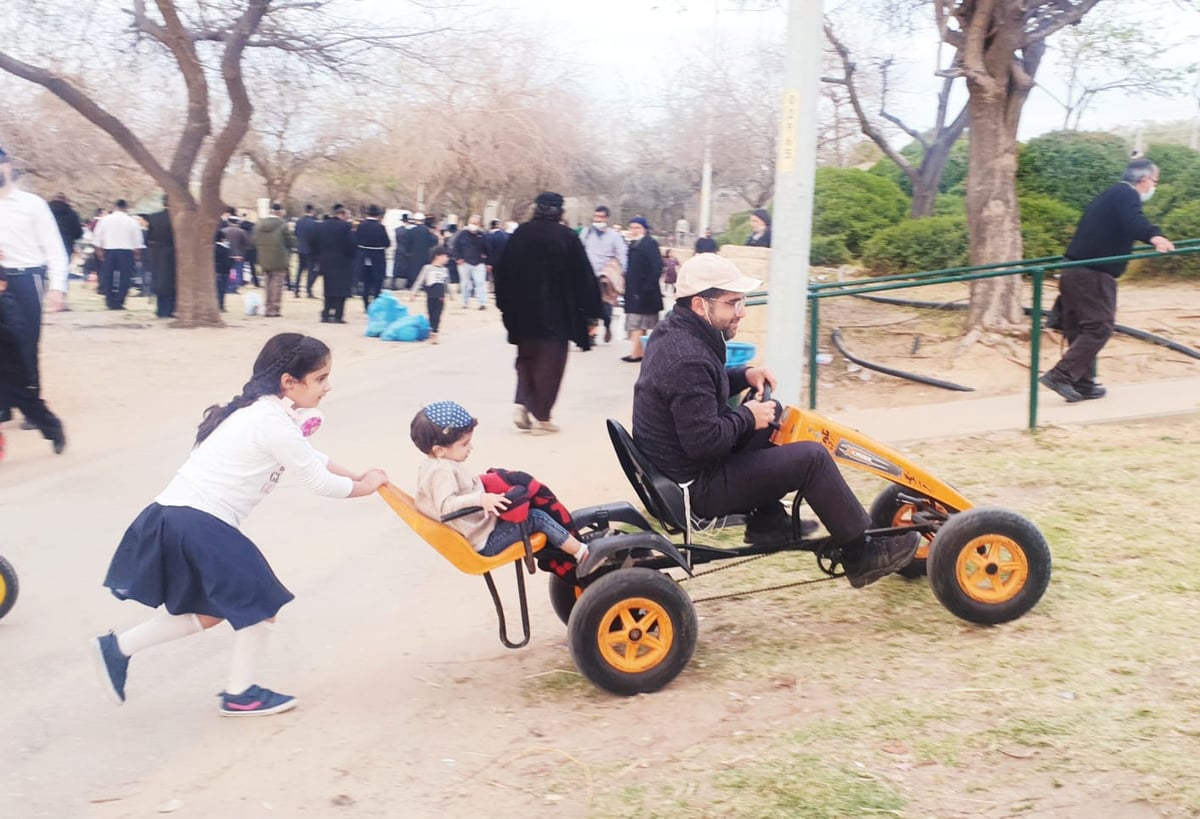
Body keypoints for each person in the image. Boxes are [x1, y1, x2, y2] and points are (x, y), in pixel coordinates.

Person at [90, 333, 389, 716]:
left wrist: (361, 475)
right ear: (289, 382)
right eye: (320, 378)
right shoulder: (270, 421)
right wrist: (366, 487)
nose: (327, 387)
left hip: (175, 516)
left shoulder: (262, 412)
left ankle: (117, 649)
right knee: (261, 603)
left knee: (211, 609)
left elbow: (310, 456)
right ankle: (240, 693)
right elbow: (318, 481)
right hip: (197, 522)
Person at [631, 254, 919, 589]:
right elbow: (703, 441)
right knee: (811, 458)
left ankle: (768, 521)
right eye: (733, 302)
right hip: (695, 486)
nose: (741, 311)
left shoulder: (676, 333)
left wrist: (744, 375)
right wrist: (746, 417)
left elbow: (699, 388)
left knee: (774, 417)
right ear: (699, 305)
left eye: (742, 301)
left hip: (680, 469)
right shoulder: (687, 357)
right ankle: (860, 555)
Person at [1039, 158, 1175, 403]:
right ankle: (1062, 375)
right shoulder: (1125, 194)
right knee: (1099, 326)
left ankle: (1083, 383)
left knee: (1079, 328)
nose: (1154, 187)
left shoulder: (1110, 195)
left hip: (1072, 270)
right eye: (1155, 182)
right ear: (1144, 180)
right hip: (1092, 274)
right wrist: (1154, 236)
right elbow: (1134, 221)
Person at [410, 401, 592, 567]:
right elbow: (445, 506)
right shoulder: (441, 470)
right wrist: (480, 498)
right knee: (536, 517)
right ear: (439, 450)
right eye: (464, 444)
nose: (470, 448)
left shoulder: (436, 464)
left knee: (525, 504)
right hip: (485, 542)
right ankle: (583, 553)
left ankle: (570, 551)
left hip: (482, 531)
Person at [493, 191, 603, 435]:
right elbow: (583, 276)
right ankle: (542, 418)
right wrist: (591, 314)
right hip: (557, 315)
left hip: (523, 313)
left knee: (526, 360)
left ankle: (522, 403)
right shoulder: (566, 237)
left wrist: (506, 307)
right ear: (560, 211)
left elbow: (503, 272)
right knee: (549, 365)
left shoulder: (521, 234)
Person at [0, 145, 69, 434]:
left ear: (9, 167)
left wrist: (57, 287)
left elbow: (54, 247)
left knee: (26, 344)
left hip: (27, 279)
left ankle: (32, 405)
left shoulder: (32, 204)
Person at [0, 270, 66, 454]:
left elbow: (16, 333)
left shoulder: (8, 304)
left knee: (31, 407)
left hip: (15, 370)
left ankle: (54, 429)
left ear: (3, 285)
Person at [579, 204, 627, 344]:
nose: (598, 219)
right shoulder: (586, 233)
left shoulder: (614, 236)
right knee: (588, 307)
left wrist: (624, 272)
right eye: (596, 216)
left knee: (605, 307)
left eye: (601, 217)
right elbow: (578, 250)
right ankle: (591, 334)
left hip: (604, 277)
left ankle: (607, 324)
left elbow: (622, 254)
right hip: (588, 275)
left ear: (606, 218)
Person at [621, 217, 663, 363]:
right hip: (634, 290)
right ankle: (640, 352)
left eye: (637, 227)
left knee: (639, 322)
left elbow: (657, 266)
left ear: (645, 229)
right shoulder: (633, 245)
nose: (634, 230)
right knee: (637, 323)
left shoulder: (649, 243)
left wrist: (648, 287)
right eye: (632, 227)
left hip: (645, 291)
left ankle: (637, 353)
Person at [94, 198, 145, 310]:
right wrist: (137, 253)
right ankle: (120, 301)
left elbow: (98, 236)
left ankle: (109, 300)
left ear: (115, 207)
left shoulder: (105, 220)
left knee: (108, 276)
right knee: (125, 278)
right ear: (125, 208)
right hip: (126, 251)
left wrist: (99, 250)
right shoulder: (131, 221)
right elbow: (138, 239)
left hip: (109, 250)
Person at [311, 204, 355, 323]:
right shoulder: (345, 226)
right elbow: (351, 244)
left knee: (328, 288)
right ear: (342, 214)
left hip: (325, 261)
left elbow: (314, 242)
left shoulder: (321, 226)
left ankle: (325, 313)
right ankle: (338, 315)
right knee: (341, 290)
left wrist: (319, 256)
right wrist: (351, 256)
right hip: (342, 261)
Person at [253, 203, 296, 318]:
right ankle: (275, 308)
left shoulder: (259, 224)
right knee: (277, 285)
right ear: (280, 212)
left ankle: (267, 307)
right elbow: (290, 241)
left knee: (267, 284)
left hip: (264, 258)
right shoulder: (283, 224)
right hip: (279, 258)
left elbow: (254, 240)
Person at [408, 246, 451, 344]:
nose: (447, 259)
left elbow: (446, 283)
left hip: (441, 296)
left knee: (437, 314)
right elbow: (420, 280)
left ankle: (434, 333)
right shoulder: (428, 268)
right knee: (431, 314)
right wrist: (413, 292)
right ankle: (432, 330)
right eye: (445, 256)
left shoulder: (445, 270)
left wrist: (450, 294)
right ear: (437, 257)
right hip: (430, 295)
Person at [353, 204, 390, 311]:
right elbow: (387, 243)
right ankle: (376, 304)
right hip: (377, 258)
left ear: (367, 213)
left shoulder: (361, 226)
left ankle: (365, 304)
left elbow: (356, 240)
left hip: (363, 257)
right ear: (378, 215)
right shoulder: (381, 227)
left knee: (366, 282)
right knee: (377, 282)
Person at [144, 196, 176, 319]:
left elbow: (147, 238)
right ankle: (171, 309)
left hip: (157, 253)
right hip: (174, 253)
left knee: (159, 281)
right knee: (172, 282)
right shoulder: (179, 217)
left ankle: (161, 309)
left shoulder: (153, 217)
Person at [452, 214, 489, 310]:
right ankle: (465, 302)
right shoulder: (461, 234)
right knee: (465, 284)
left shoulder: (482, 235)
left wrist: (486, 259)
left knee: (480, 282)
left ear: (479, 224)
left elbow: (487, 248)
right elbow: (455, 247)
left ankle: (482, 302)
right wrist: (458, 258)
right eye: (472, 223)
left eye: (475, 223)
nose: (473, 225)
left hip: (478, 263)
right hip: (464, 263)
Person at [294, 204, 319, 297]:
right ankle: (308, 290)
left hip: (300, 248)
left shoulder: (299, 221)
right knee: (311, 270)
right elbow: (315, 237)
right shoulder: (314, 222)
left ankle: (296, 289)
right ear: (312, 211)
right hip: (310, 250)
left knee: (299, 270)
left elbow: (296, 233)